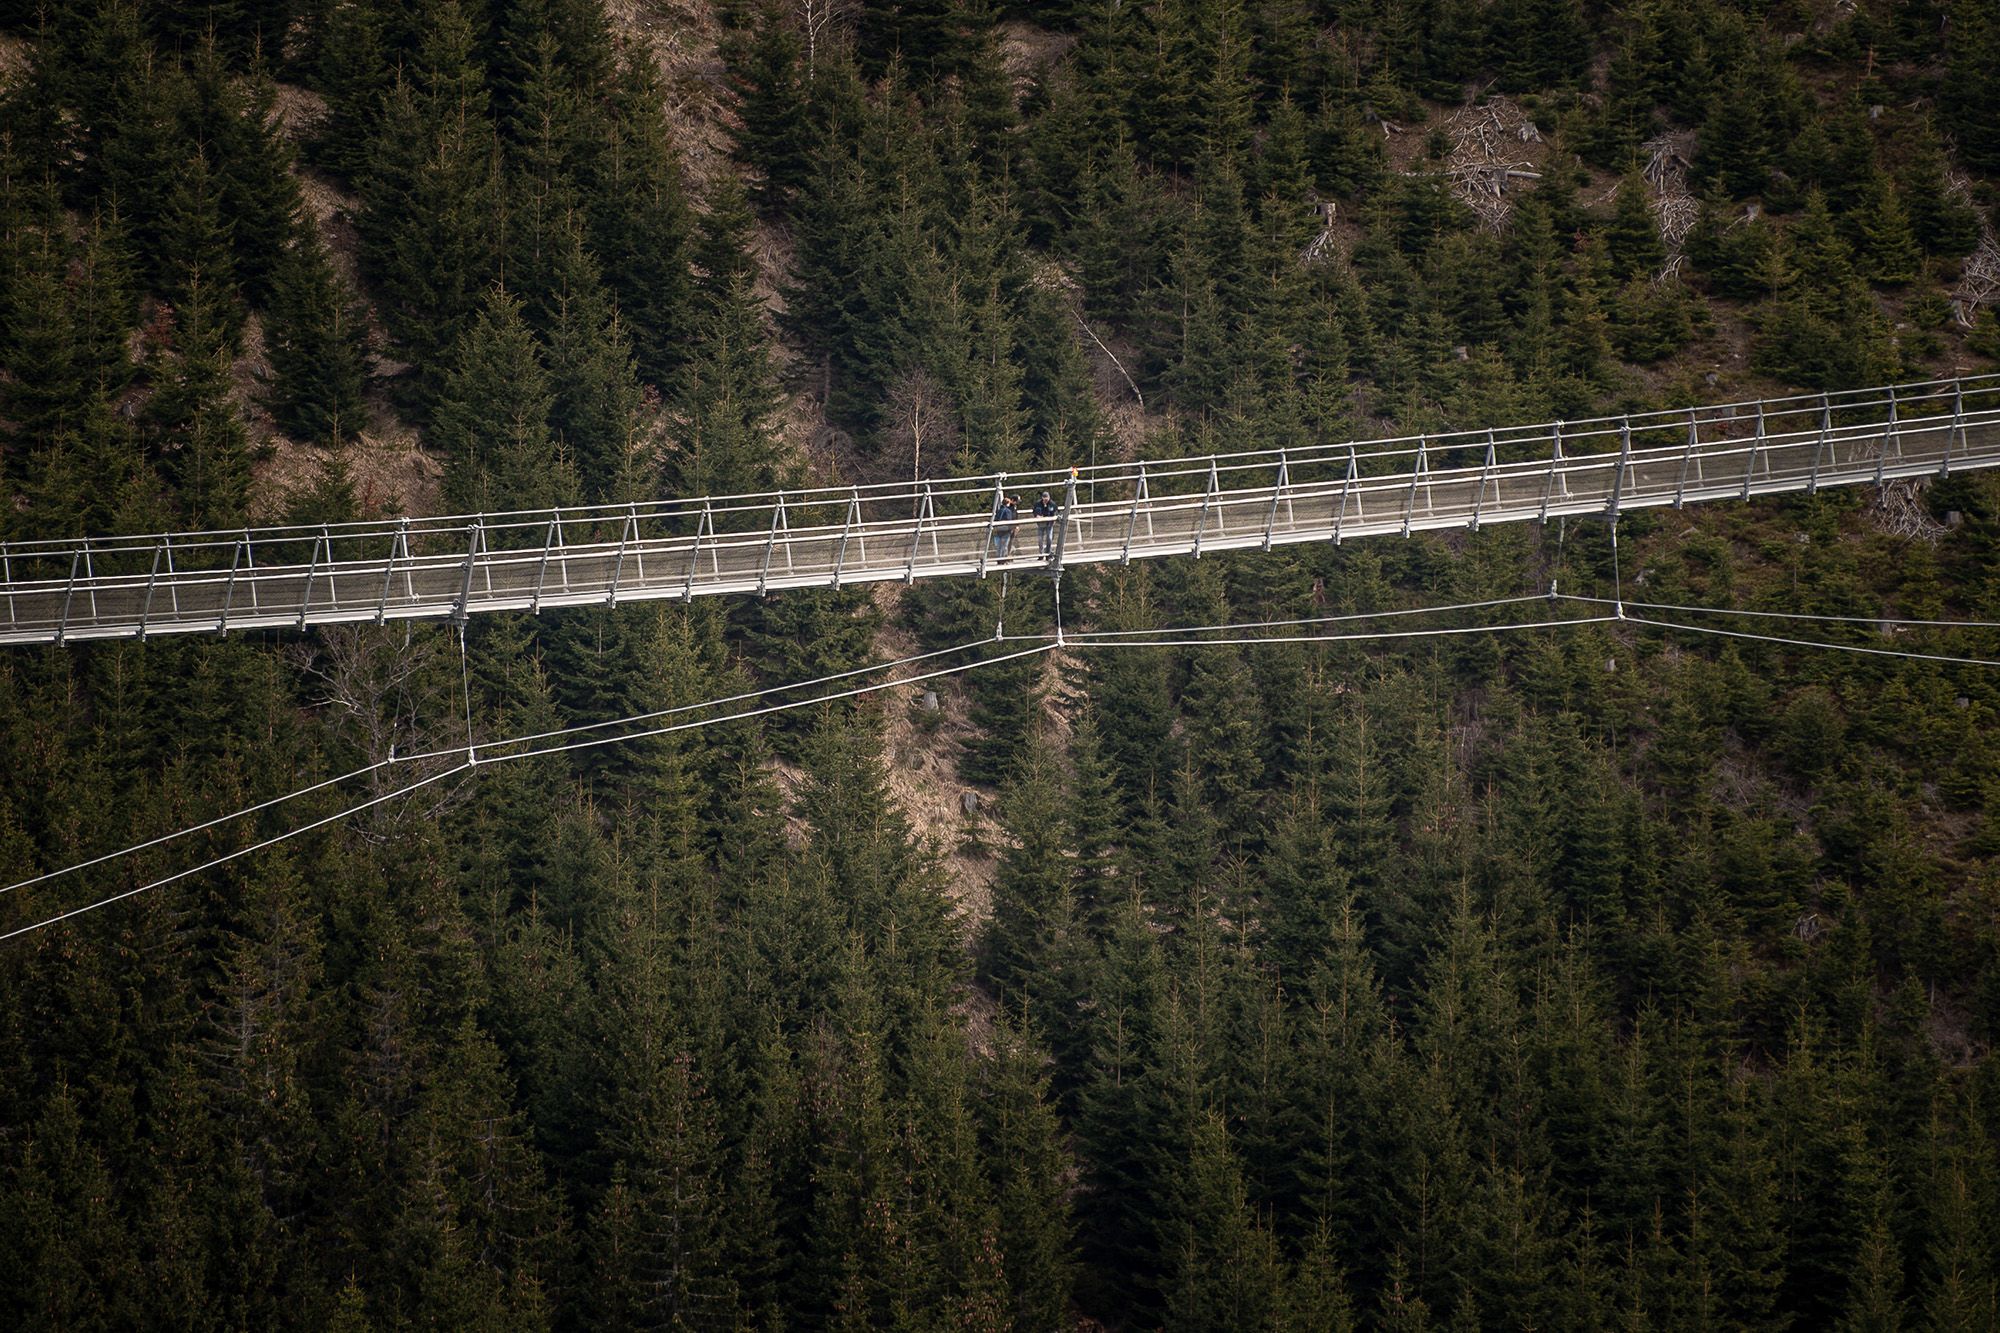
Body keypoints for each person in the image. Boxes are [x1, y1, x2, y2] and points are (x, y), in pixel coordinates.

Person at [992, 494, 1018, 559]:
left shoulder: (999, 510)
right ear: (1008, 503)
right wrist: (1013, 527)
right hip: (1006, 529)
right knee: (1005, 545)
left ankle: (998, 558)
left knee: (999, 545)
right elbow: (1009, 520)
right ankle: (1003, 559)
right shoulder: (1008, 511)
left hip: (999, 529)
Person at [1033, 489, 1058, 555]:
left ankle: (1048, 552)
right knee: (1040, 539)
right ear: (1042, 498)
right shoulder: (1038, 504)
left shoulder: (1052, 504)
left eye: (1047, 498)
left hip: (1049, 524)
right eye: (1044, 499)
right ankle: (1041, 553)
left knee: (1049, 538)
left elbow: (1055, 512)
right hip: (1041, 524)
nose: (1046, 500)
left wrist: (1053, 518)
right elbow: (1034, 512)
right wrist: (1037, 516)